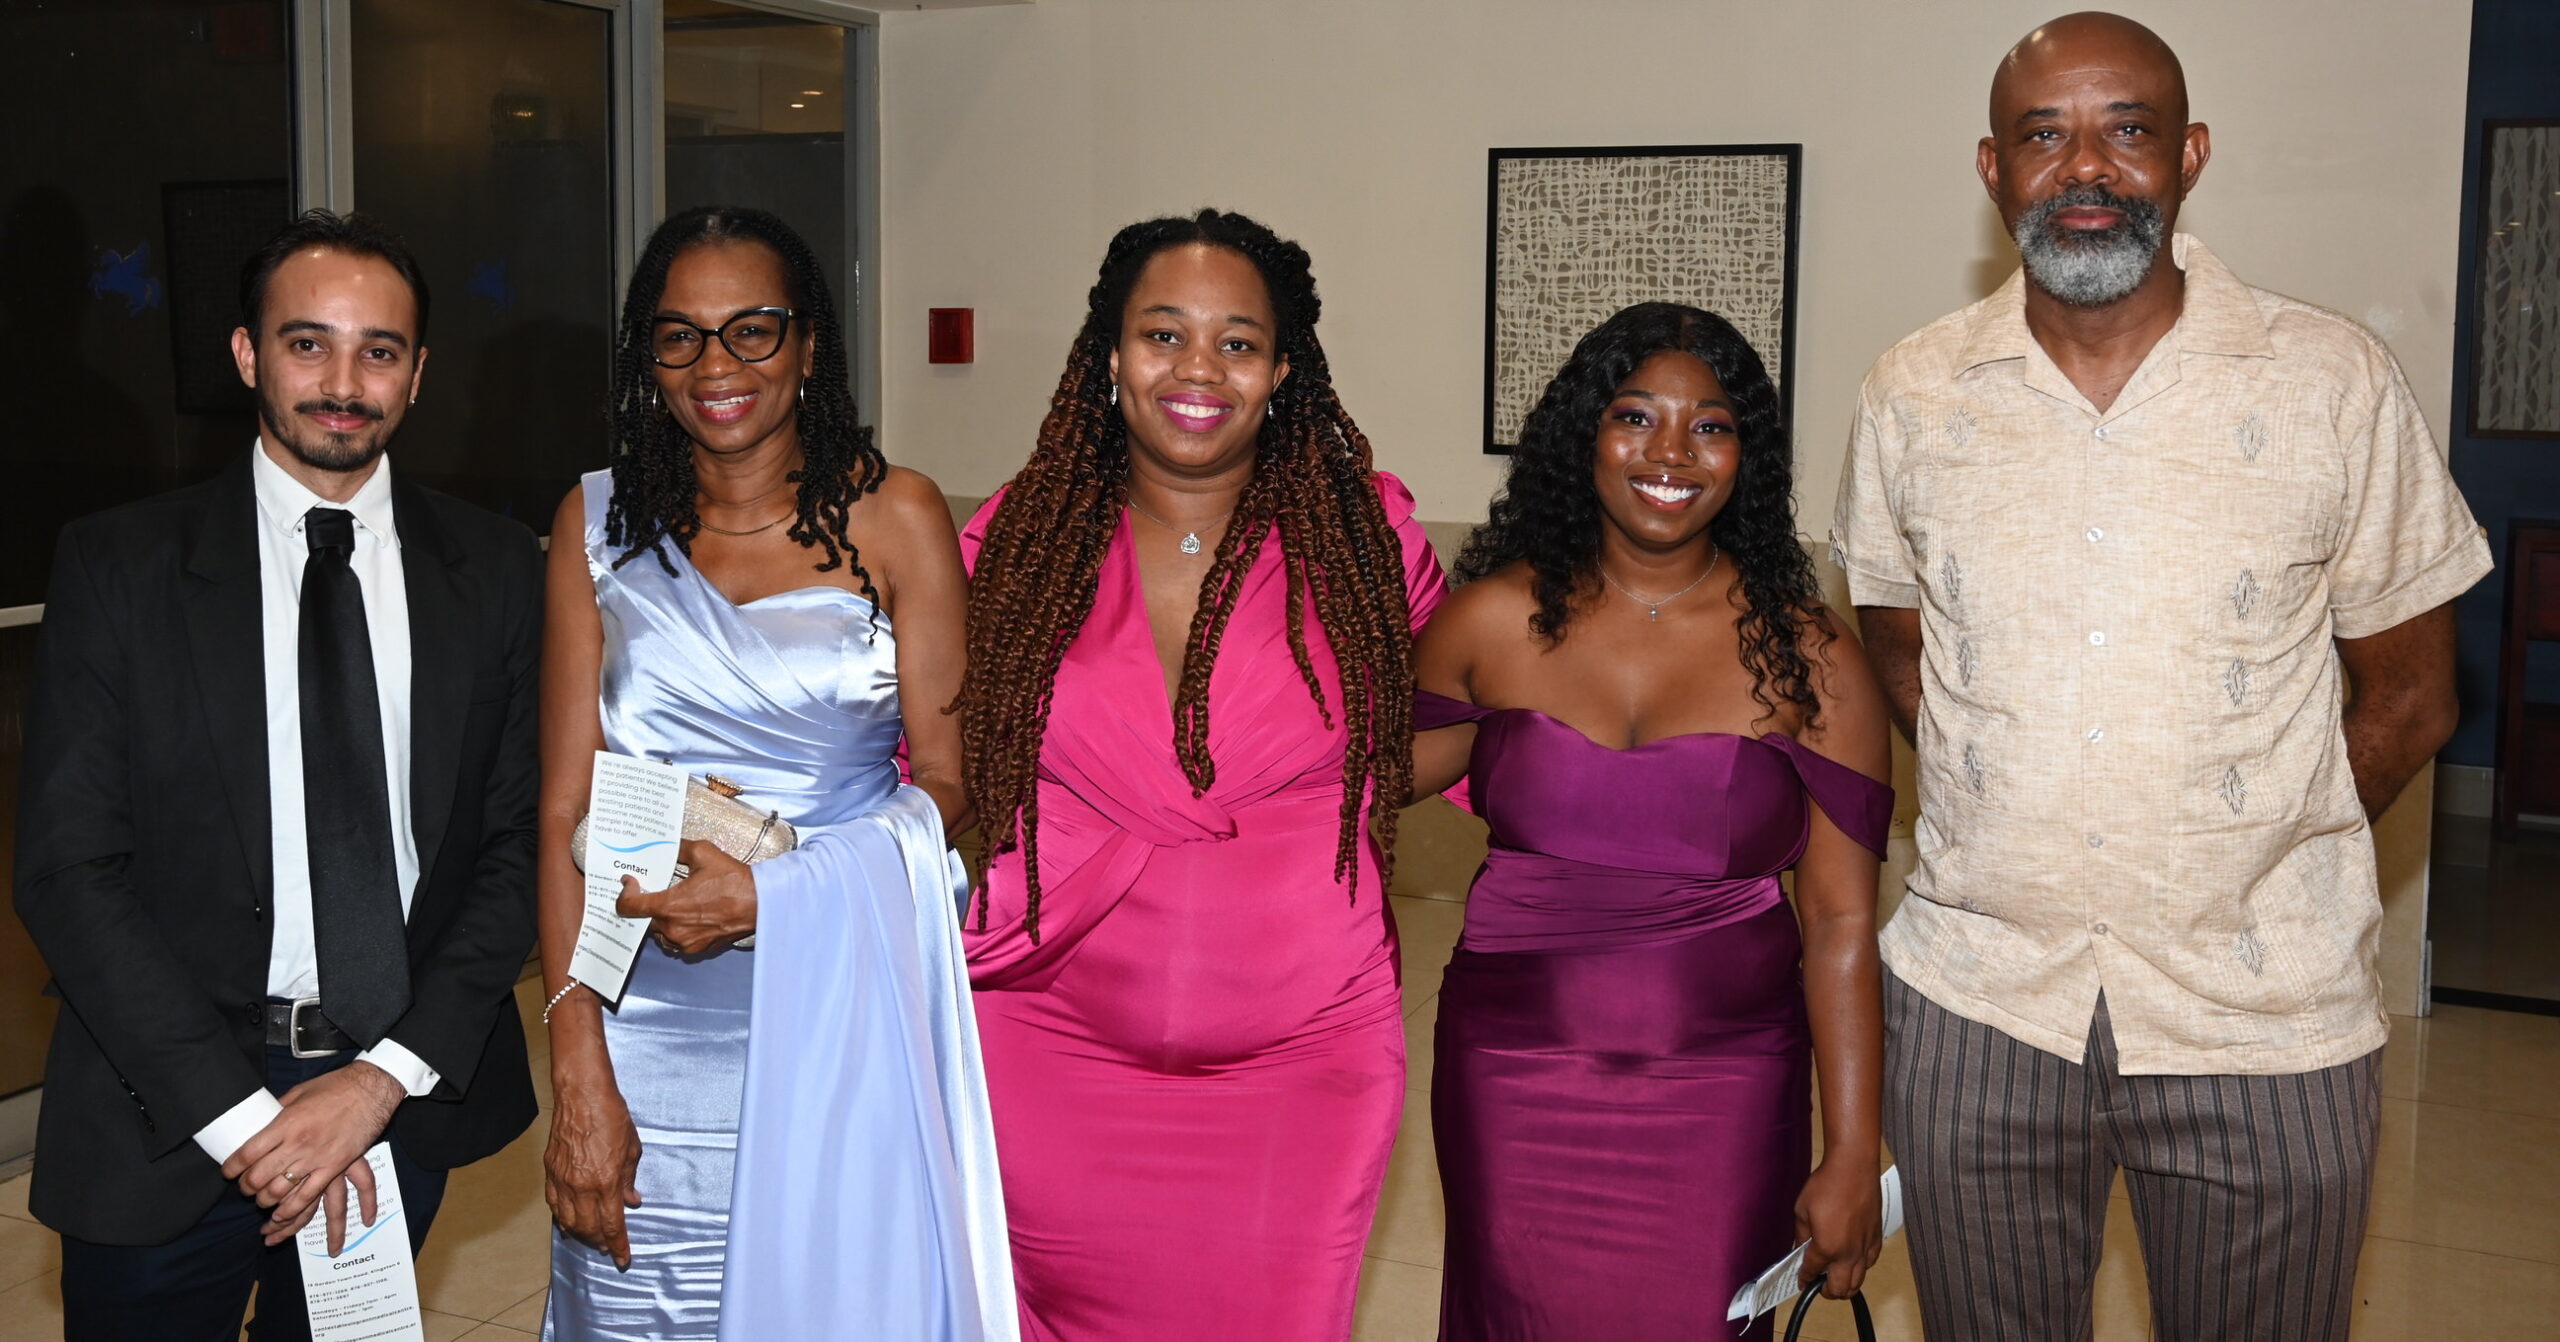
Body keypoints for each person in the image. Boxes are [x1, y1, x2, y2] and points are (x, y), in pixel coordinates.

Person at [1829, 13, 2494, 1342]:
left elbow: (2416, 692)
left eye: (2125, 129)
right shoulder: (1913, 392)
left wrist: (2256, 839)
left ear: (2188, 154)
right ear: (1992, 168)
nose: (2087, 166)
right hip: (1980, 1002)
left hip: (2263, 1018)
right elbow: (1899, 643)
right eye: (2044, 135)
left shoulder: (2330, 382)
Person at [14, 208, 543, 1341]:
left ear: (417, 373)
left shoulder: (498, 571)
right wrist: (238, 1117)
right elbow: (68, 868)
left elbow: (518, 850)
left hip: (394, 1099)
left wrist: (379, 1080)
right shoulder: (121, 566)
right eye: (308, 344)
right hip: (163, 1106)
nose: (343, 383)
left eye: (379, 350)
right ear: (248, 354)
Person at [950, 208, 1444, 1340]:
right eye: (1163, 334)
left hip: (1306, 1056)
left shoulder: (1365, 538)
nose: (1198, 370)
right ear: (1109, 355)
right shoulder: (1020, 542)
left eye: (1237, 342)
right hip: (1050, 1043)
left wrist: (1332, 793)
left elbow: (1467, 716)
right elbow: (943, 755)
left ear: (1283, 370)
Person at [536, 205, 1011, 1342]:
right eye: (680, 335)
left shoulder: (899, 516)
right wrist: (579, 1067)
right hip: (641, 1018)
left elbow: (957, 786)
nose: (718, 365)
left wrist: (782, 894)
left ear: (807, 344)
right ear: (648, 358)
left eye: (752, 329)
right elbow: (561, 810)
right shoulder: (594, 523)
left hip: (838, 1000)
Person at [1408, 303, 1890, 1339]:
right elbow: (1337, 783)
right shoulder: (1487, 622)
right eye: (1635, 416)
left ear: (1746, 458)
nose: (1670, 453)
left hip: (1726, 1083)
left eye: (1710, 426)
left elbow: (1842, 923)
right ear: (1583, 434)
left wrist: (1854, 1148)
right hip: (1510, 1076)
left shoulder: (1812, 657)